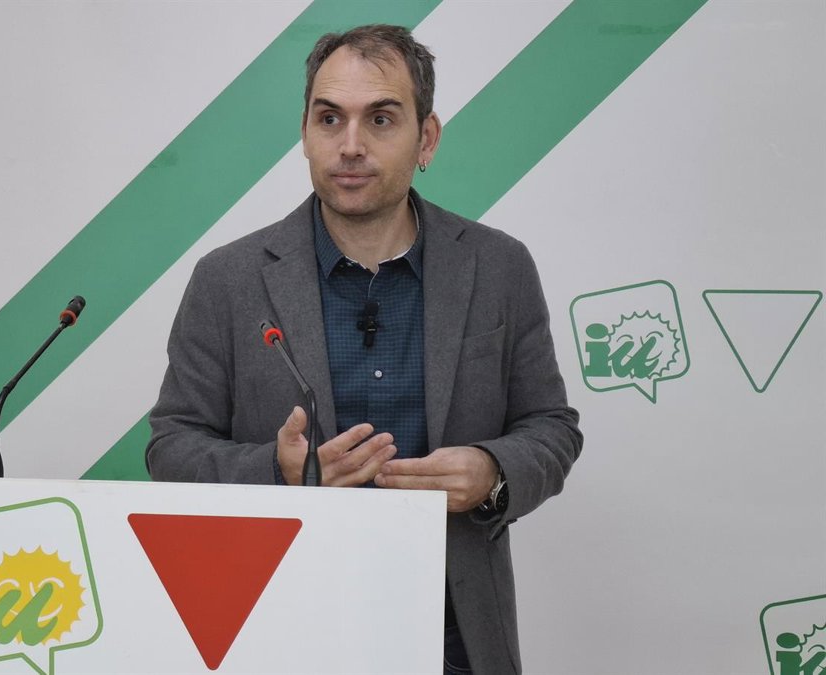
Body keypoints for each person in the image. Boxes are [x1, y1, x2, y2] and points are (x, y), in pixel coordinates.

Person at [146, 24, 582, 675]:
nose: (350, 146)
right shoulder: (228, 279)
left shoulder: (499, 267)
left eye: (380, 119)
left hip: (455, 636)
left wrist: (492, 471)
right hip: (276, 628)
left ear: (426, 138)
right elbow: (171, 446)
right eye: (329, 119)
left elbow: (551, 427)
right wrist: (279, 471)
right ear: (304, 133)